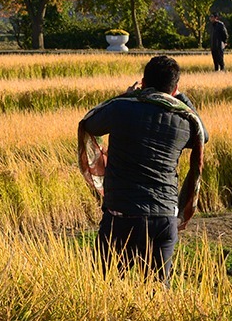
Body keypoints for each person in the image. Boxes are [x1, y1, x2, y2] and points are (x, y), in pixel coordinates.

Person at [77, 55, 207, 286]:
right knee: (157, 293)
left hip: (122, 217)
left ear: (144, 83)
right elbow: (202, 135)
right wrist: (181, 98)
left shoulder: (121, 108)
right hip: (164, 218)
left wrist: (127, 95)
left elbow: (90, 122)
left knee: (106, 289)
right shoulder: (185, 121)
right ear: (175, 88)